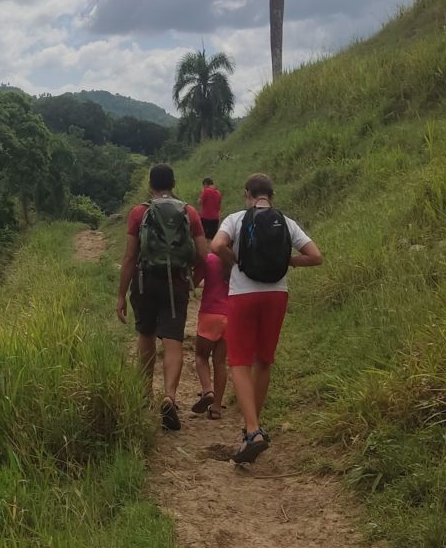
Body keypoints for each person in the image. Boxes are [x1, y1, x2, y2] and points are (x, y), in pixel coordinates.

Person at [210, 173, 323, 463]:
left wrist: (236, 261)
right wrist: (286, 261)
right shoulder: (286, 222)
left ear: (247, 193)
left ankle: (252, 430)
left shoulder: (236, 219)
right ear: (271, 195)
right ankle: (253, 427)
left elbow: (216, 246)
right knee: (263, 360)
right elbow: (315, 256)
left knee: (238, 361)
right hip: (277, 295)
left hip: (243, 295)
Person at [117, 164, 208, 431]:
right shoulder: (189, 212)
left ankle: (144, 394)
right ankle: (169, 395)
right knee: (173, 341)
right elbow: (203, 254)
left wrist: (121, 295)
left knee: (145, 336)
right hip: (176, 284)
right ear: (173, 183)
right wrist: (194, 280)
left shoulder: (139, 212)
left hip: (145, 283)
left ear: (150, 185)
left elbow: (130, 257)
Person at [191, 251, 230, 420]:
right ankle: (216, 408)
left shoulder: (209, 259)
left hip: (209, 314)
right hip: (231, 317)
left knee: (201, 356)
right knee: (220, 362)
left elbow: (193, 283)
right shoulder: (239, 261)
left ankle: (208, 390)